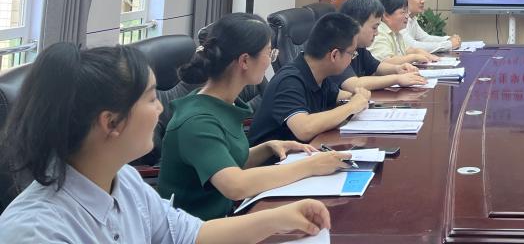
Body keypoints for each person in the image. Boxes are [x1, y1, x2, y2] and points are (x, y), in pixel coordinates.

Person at [0, 42, 330, 242]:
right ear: (111, 122)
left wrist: (281, 218)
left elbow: (192, 235)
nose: (160, 107)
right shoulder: (36, 232)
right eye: (150, 98)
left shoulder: (124, 181)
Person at [157, 13, 351, 220]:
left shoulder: (222, 103)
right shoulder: (197, 121)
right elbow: (236, 185)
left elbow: (223, 161)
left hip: (223, 220)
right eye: (269, 53)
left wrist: (266, 148)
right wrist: (311, 166)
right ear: (245, 61)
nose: (270, 61)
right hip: (194, 230)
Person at [248, 12, 372, 144]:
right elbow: (304, 129)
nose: (352, 58)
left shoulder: (319, 75)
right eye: (352, 53)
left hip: (303, 152)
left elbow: (341, 96)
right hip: (273, 156)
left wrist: (358, 96)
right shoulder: (289, 80)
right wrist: (352, 106)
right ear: (334, 55)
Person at [337, 0, 428, 91]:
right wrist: (397, 79)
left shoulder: (359, 47)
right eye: (374, 27)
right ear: (355, 25)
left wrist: (398, 69)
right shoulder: (338, 47)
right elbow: (353, 84)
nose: (376, 33)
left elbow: (377, 67)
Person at [369, 0, 438, 66]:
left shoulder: (397, 32)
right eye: (403, 12)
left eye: (407, 12)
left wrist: (422, 53)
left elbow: (409, 50)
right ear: (386, 15)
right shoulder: (378, 33)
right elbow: (386, 62)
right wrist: (414, 57)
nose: (407, 16)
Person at [396, 0, 461, 53]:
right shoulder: (398, 19)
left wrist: (448, 39)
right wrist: (449, 44)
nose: (423, 0)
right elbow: (413, 46)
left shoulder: (412, 17)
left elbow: (424, 38)